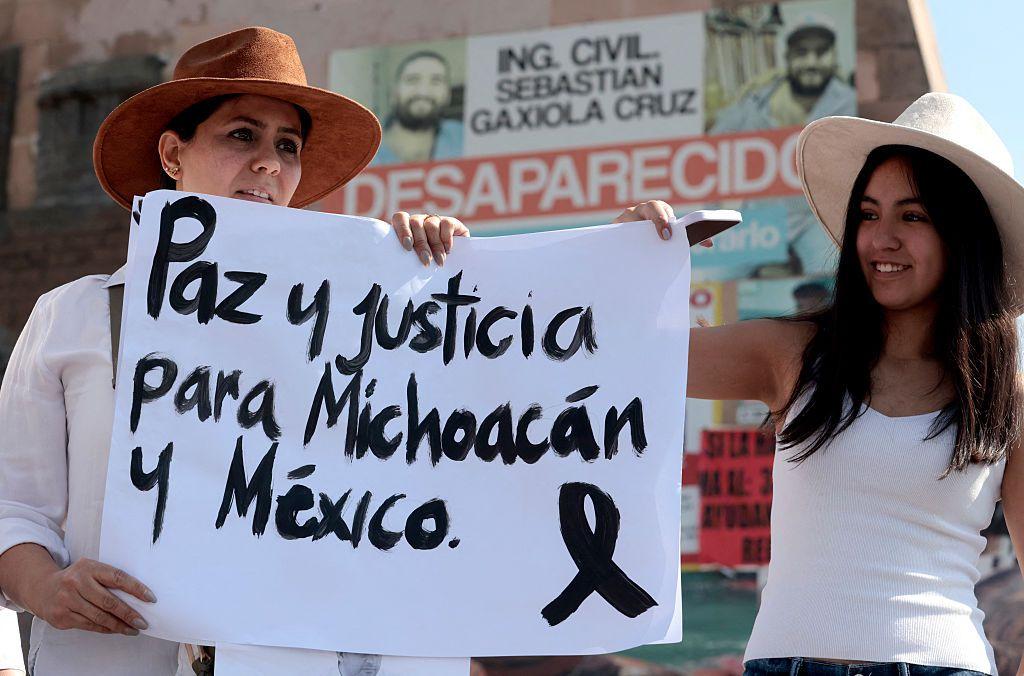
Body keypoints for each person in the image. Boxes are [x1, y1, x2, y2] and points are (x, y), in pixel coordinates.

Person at [0, 27, 467, 675]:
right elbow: (14, 505)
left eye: (288, 146)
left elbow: (481, 441)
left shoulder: (363, 321)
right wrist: (45, 589)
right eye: (241, 135)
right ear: (171, 153)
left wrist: (448, 278)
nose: (270, 163)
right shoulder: (76, 315)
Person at [618, 93, 1024, 675]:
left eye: (912, 216)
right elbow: (617, 354)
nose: (881, 238)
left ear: (965, 237)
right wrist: (620, 251)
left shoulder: (1008, 396)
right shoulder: (793, 354)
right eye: (867, 213)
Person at [709, 13, 855, 134]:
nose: (811, 63)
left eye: (821, 52)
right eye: (801, 52)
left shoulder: (852, 105)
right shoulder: (755, 102)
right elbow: (715, 139)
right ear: (787, 57)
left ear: (835, 56)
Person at [373, 50, 464, 165]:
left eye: (436, 81)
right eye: (412, 80)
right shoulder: (362, 145)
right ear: (394, 92)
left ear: (448, 95)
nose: (423, 92)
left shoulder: (463, 137)